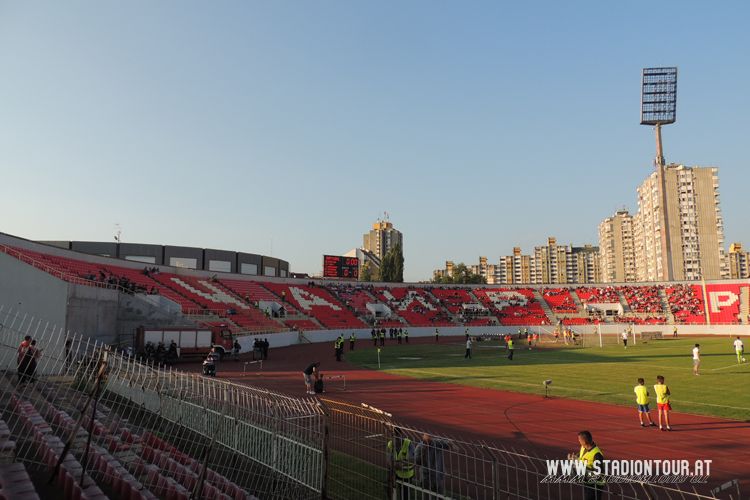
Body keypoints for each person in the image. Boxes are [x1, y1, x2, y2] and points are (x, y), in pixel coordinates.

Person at [568, 430, 605, 500]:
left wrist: (584, 471)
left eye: (579, 440)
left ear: (584, 442)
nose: (578, 441)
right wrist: (575, 459)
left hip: (595, 485)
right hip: (587, 481)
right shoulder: (583, 447)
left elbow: (599, 474)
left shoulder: (597, 455)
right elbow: (583, 459)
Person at [387, 428, 415, 493]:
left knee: (405, 493)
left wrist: (400, 464)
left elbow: (413, 460)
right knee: (390, 488)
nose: (396, 440)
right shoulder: (390, 444)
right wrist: (394, 465)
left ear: (401, 435)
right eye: (394, 437)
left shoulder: (408, 443)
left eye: (397, 437)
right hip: (394, 472)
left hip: (406, 474)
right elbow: (388, 459)